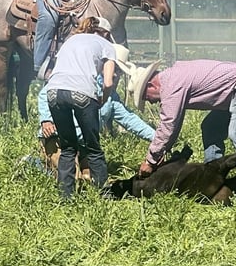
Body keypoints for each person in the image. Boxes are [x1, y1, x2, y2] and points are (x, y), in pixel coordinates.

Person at [123, 58, 236, 201]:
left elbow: (168, 125)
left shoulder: (170, 85)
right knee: (210, 127)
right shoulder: (173, 77)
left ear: (151, 85)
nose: (151, 101)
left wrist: (151, 160)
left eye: (146, 97)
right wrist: (161, 152)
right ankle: (212, 177)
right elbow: (173, 125)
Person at [36, 45, 156, 180]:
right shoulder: (78, 79)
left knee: (89, 177)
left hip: (83, 144)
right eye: (115, 68)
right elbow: (44, 94)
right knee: (73, 177)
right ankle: (34, 163)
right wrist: (46, 120)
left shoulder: (111, 98)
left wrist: (158, 138)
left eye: (119, 71)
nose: (116, 74)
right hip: (58, 138)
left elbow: (129, 120)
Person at [41, 15, 117, 197]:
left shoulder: (71, 40)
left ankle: (65, 197)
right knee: (93, 147)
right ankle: (102, 196)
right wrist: (103, 99)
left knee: (68, 146)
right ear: (105, 33)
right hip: (82, 93)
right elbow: (108, 82)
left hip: (53, 92)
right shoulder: (106, 46)